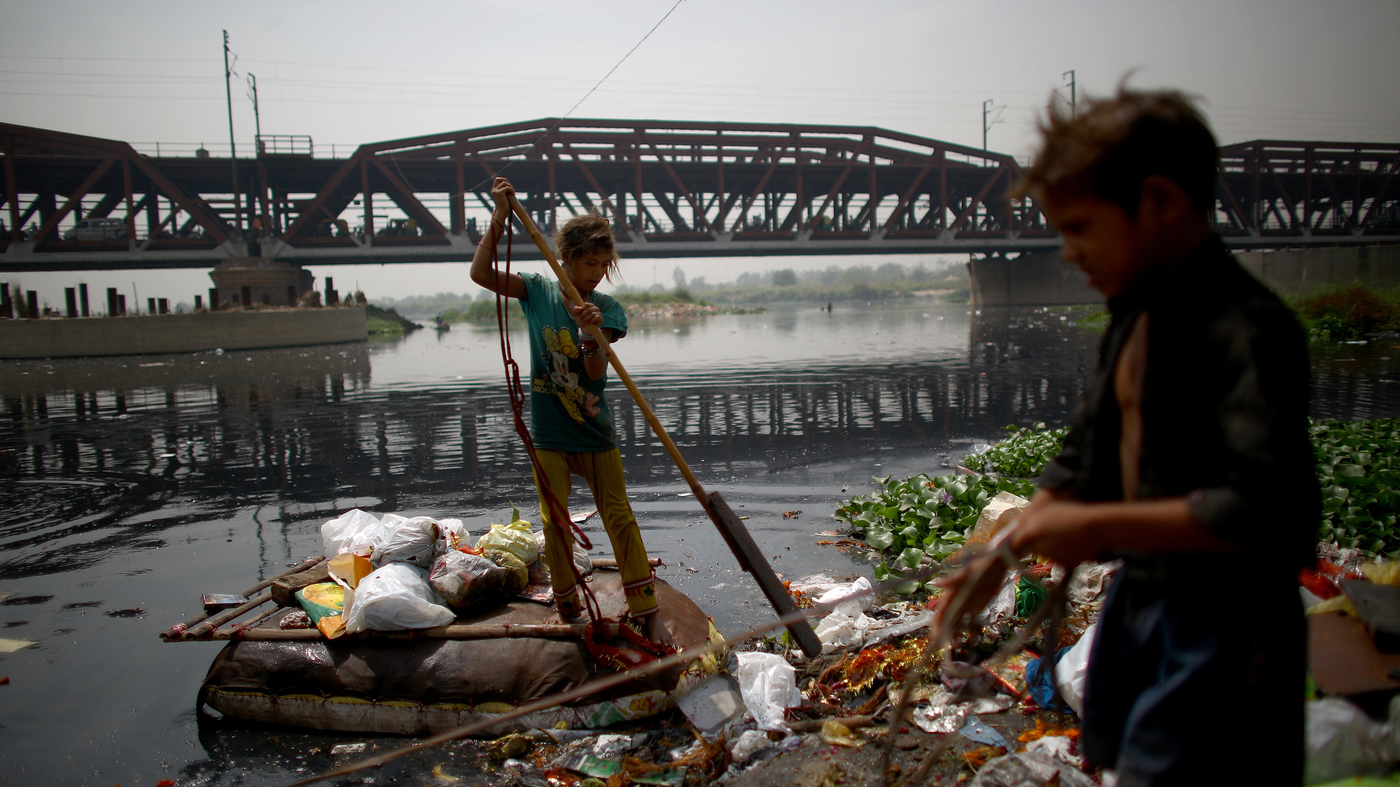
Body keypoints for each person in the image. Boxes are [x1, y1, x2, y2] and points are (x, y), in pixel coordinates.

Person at [939, 88, 1318, 785]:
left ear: (1161, 202)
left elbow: (1268, 512)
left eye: (1080, 226)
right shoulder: (1134, 321)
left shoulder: (1247, 330)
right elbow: (1083, 452)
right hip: (1141, 599)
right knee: (1118, 758)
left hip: (1228, 626)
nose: (1067, 252)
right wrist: (1001, 550)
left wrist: (1095, 525)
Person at [470, 176, 675, 649]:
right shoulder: (538, 291)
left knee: (618, 515)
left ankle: (647, 610)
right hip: (548, 434)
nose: (597, 273)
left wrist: (590, 335)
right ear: (565, 257)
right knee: (554, 522)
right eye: (589, 263)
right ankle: (566, 607)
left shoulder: (606, 310)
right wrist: (499, 219)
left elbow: (595, 373)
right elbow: (481, 275)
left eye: (604, 264)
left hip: (593, 433)